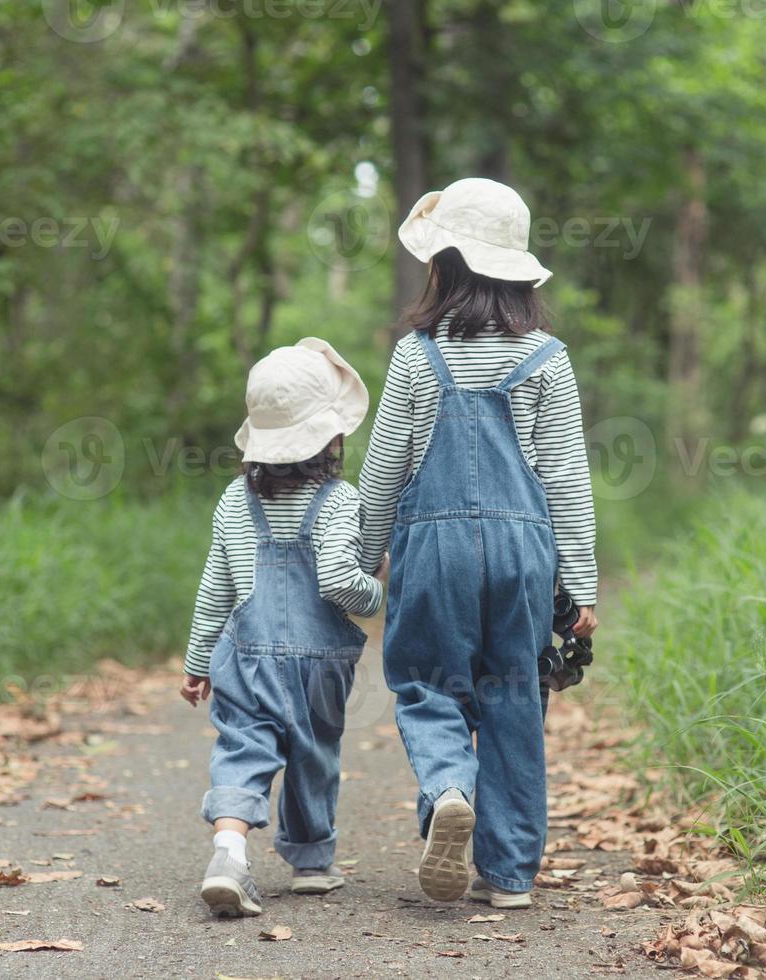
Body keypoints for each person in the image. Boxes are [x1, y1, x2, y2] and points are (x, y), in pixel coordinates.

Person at [359, 177, 599, 910]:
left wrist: (362, 558)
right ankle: (510, 873)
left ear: (447, 267)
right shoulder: (547, 358)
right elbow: (566, 480)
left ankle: (448, 787)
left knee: (427, 683)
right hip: (524, 555)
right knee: (514, 695)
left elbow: (384, 467)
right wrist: (581, 586)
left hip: (433, 551)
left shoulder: (415, 356)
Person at [181, 338, 383, 918]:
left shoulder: (233, 500)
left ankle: (228, 851)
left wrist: (197, 661)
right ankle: (312, 863)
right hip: (318, 664)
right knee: (314, 752)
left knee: (243, 748)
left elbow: (216, 588)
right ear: (330, 437)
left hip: (244, 659)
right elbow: (341, 583)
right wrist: (377, 593)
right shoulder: (341, 500)